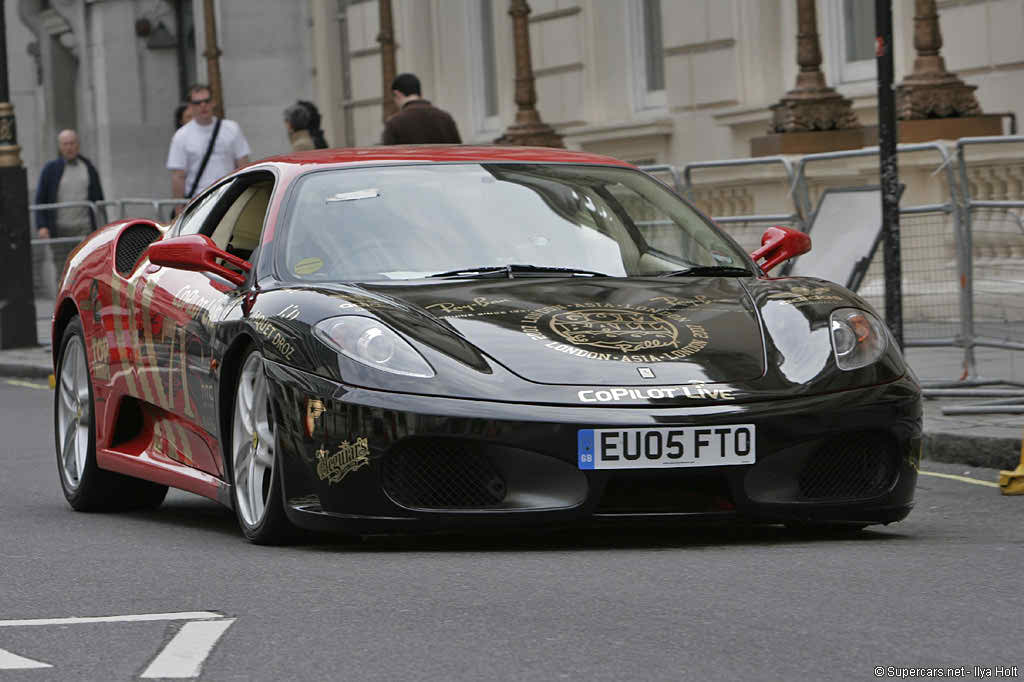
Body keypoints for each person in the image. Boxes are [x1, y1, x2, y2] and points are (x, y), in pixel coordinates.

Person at [167, 84, 251, 201]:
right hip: (197, 201)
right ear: (191, 106)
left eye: (207, 101)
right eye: (198, 103)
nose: (203, 106)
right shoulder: (181, 136)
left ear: (213, 102)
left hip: (230, 197)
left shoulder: (232, 128)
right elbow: (178, 176)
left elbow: (244, 165)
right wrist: (178, 209)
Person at [34, 129, 105, 239]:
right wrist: (42, 226)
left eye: (72, 143)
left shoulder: (89, 168)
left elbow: (99, 200)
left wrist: (103, 227)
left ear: (78, 145)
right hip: (58, 233)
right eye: (65, 144)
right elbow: (40, 199)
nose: (69, 148)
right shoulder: (50, 170)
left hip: (85, 231)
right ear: (60, 147)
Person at [381, 73, 462, 145]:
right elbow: (459, 153)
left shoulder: (394, 123)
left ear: (397, 94)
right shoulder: (445, 118)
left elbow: (388, 157)